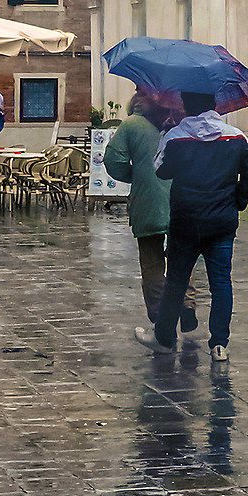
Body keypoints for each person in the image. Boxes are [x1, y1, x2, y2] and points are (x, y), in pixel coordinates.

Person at [153, 98, 248, 372]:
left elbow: (161, 171)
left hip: (186, 221)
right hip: (221, 222)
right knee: (221, 283)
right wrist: (238, 200)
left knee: (177, 281)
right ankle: (219, 344)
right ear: (215, 104)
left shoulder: (176, 136)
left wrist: (165, 134)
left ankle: (164, 338)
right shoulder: (235, 136)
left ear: (186, 105)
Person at [103, 90, 198, 348]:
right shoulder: (182, 121)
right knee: (182, 257)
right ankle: (187, 303)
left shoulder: (132, 124)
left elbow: (113, 161)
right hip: (181, 197)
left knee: (152, 261)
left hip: (148, 200)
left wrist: (136, 174)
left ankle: (158, 316)